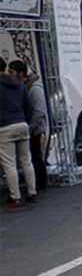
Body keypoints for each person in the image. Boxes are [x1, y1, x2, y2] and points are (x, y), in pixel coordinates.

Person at [0, 60, 36, 206]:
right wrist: (25, 121)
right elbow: (29, 106)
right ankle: (32, 193)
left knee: (9, 163)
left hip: (5, 126)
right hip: (22, 124)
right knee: (26, 160)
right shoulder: (19, 84)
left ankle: (15, 196)